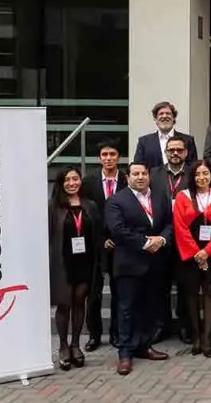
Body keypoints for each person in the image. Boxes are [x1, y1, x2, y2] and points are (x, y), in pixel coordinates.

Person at [105, 162, 174, 375]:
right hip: (129, 263)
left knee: (149, 307)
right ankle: (125, 353)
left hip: (155, 263)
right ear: (127, 177)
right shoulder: (116, 200)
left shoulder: (160, 196)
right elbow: (118, 230)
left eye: (144, 173)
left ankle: (144, 346)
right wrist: (146, 242)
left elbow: (170, 223)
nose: (141, 177)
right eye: (136, 173)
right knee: (126, 310)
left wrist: (161, 239)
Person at [172, 160, 211, 357]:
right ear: (192, 176)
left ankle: (207, 337)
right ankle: (195, 335)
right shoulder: (183, 196)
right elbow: (180, 227)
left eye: (205, 174)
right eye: (197, 174)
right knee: (190, 292)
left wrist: (208, 251)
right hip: (189, 252)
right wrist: (196, 252)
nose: (201, 178)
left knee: (210, 291)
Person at [49, 166, 102, 370]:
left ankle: (75, 344)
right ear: (61, 183)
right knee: (64, 305)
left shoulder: (90, 206)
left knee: (80, 302)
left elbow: (96, 235)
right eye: (68, 180)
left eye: (76, 179)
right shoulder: (53, 207)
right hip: (63, 262)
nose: (72, 183)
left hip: (85, 262)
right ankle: (62, 346)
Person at [81, 141, 128, 351]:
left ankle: (117, 333)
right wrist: (101, 239)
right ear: (99, 158)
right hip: (95, 244)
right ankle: (94, 334)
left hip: (121, 245)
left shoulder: (127, 180)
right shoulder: (88, 182)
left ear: (119, 157)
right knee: (94, 293)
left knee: (119, 292)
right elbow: (85, 215)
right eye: (104, 154)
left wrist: (118, 237)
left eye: (112, 154)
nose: (108, 158)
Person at [147, 135, 192, 344]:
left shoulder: (194, 173)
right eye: (171, 150)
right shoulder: (154, 175)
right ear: (166, 152)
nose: (175, 153)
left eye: (179, 150)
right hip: (161, 236)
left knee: (184, 285)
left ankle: (185, 325)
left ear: (186, 152)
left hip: (187, 236)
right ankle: (160, 325)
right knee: (159, 285)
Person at [134, 101, 198, 169]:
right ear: (155, 119)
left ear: (174, 118)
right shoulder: (144, 142)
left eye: (168, 113)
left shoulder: (188, 140)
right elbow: (138, 167)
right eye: (161, 114)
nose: (164, 116)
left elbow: (193, 167)